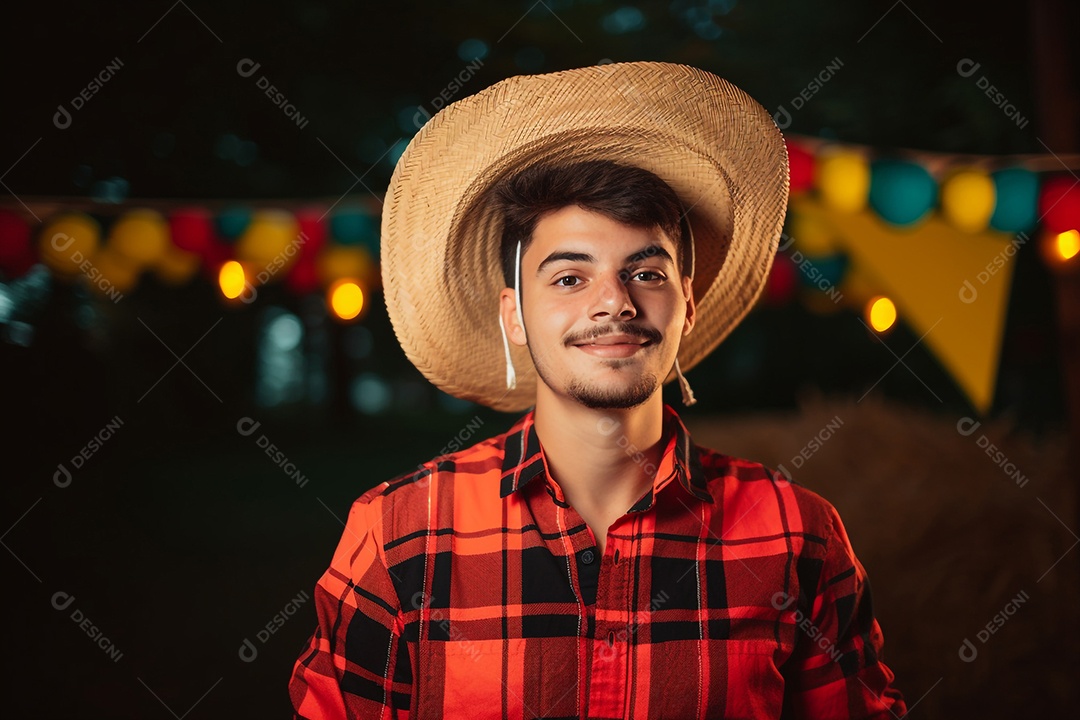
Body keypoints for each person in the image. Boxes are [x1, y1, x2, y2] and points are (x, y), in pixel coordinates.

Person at [289, 61, 907, 719]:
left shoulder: (796, 534)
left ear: (687, 308)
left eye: (644, 271)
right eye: (568, 278)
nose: (614, 303)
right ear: (513, 315)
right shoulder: (397, 534)